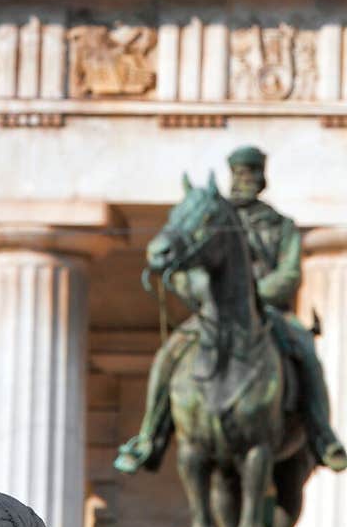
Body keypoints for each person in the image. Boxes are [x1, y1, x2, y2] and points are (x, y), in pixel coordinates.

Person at [115, 145, 347, 474]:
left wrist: (254, 296)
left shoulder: (280, 226)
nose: (243, 182)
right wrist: (197, 291)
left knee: (305, 349)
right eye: (238, 175)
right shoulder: (211, 219)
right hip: (213, 313)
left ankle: (322, 434)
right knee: (169, 353)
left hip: (269, 312)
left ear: (261, 180)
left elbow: (290, 273)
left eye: (250, 175)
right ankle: (149, 436)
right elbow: (189, 269)